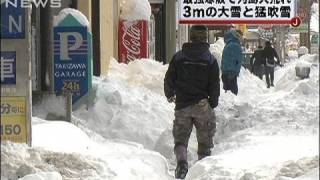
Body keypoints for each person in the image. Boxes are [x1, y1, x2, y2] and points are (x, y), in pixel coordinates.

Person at [164, 25, 220, 179]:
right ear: (205, 37)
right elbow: (214, 83)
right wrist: (213, 102)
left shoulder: (179, 57)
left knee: (180, 138)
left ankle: (182, 163)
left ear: (191, 37)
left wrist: (169, 94)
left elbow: (169, 78)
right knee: (205, 140)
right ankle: (202, 170)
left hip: (182, 104)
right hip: (202, 105)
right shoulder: (210, 59)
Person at [221, 30, 243, 95]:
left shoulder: (231, 45)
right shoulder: (234, 44)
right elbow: (238, 60)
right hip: (230, 72)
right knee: (231, 93)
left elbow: (235, 60)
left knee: (229, 93)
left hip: (229, 72)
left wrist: (227, 71)